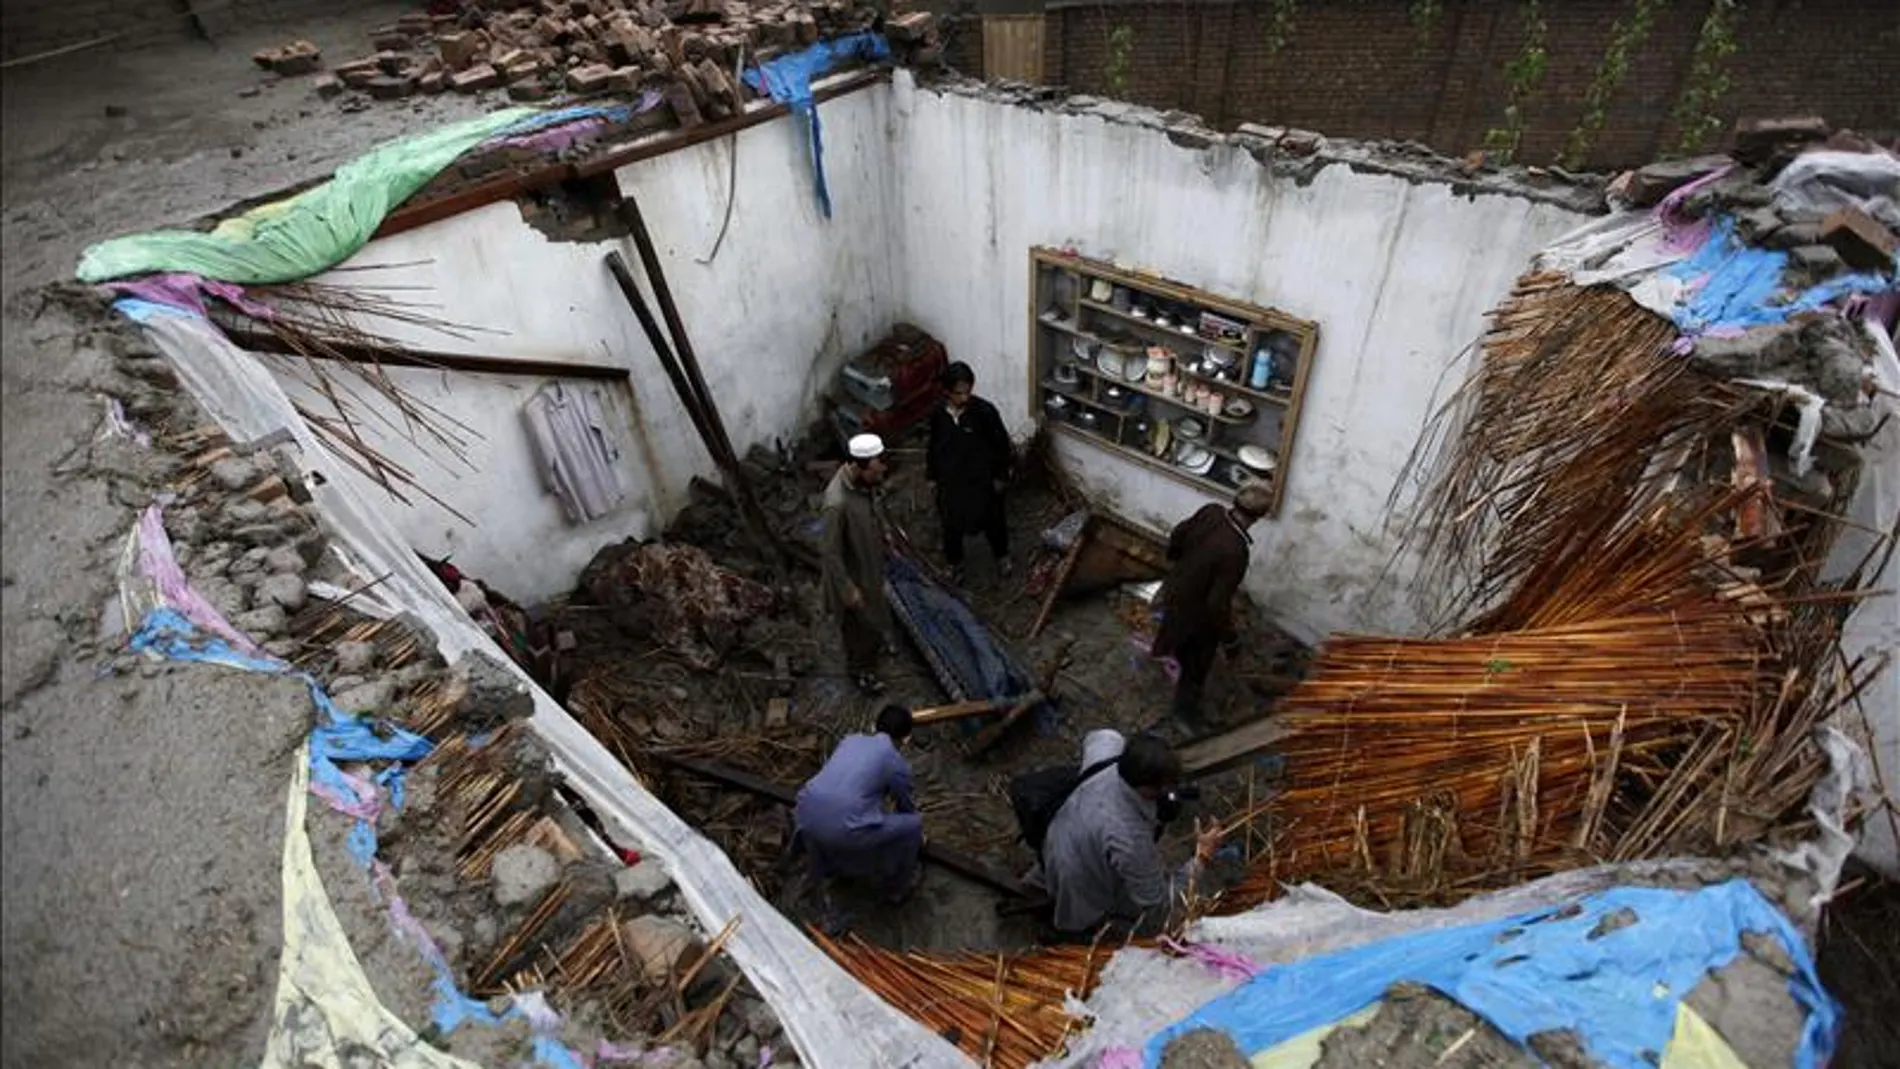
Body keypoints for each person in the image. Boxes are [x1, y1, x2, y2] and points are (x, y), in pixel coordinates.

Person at [1033, 729, 1221, 942]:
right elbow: (1156, 901)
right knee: (1080, 917)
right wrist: (1202, 857)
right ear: (1148, 790)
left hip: (1058, 835)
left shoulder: (1108, 753)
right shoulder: (1129, 837)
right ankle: (1066, 935)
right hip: (1075, 879)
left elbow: (1100, 735)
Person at [1152, 483, 1272, 726]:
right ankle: (1184, 713)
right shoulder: (1236, 551)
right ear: (1259, 517)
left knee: (1171, 627)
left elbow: (1178, 533)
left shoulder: (1211, 512)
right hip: (1194, 611)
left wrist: (1179, 565)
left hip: (1175, 590)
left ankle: (1164, 653)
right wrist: (1229, 638)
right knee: (1197, 660)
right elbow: (1216, 604)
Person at [793, 704, 925, 904]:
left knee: (847, 813)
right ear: (905, 739)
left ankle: (832, 868)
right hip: (841, 830)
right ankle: (896, 888)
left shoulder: (850, 740)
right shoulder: (895, 761)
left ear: (874, 726)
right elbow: (905, 806)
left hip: (803, 813)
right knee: (913, 826)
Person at [926, 362, 1014, 585]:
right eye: (958, 393)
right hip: (952, 482)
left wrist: (1001, 476)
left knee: (993, 521)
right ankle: (955, 564)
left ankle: (1001, 556)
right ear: (946, 391)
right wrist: (933, 475)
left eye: (968, 392)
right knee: (951, 525)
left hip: (982, 481)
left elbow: (1002, 446)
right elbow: (934, 446)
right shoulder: (938, 415)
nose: (964, 398)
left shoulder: (984, 413)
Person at [823, 433, 893, 694]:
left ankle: (874, 649)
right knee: (858, 629)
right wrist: (847, 589)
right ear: (859, 465)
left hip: (870, 566)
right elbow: (830, 553)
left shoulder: (864, 485)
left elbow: (874, 512)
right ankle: (862, 672)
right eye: (877, 468)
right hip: (853, 578)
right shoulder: (836, 503)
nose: (882, 472)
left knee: (874, 617)